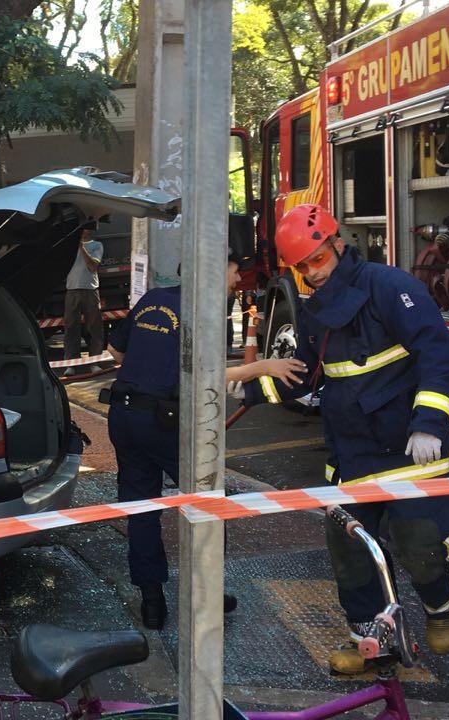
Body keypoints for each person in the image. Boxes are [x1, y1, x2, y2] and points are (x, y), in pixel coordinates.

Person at [237, 204, 449, 674]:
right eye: (301, 268)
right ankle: (370, 641)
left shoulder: (392, 288)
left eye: (317, 260)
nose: (312, 273)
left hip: (410, 449)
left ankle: (441, 608)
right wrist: (251, 390)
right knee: (352, 555)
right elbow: (303, 374)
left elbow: (438, 356)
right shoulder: (317, 312)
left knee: (420, 545)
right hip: (352, 454)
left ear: (337, 243)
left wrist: (429, 422)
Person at [106, 255, 306, 630]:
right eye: (233, 269)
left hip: (124, 415)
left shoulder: (153, 299)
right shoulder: (202, 312)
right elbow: (208, 376)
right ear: (212, 267)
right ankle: (206, 594)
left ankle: (152, 603)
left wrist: (152, 364)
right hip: (163, 423)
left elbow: (117, 351)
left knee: (141, 508)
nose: (238, 277)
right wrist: (267, 366)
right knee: (207, 504)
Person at [61, 224, 105, 377]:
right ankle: (71, 363)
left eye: (85, 228)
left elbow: (93, 267)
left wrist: (81, 248)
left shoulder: (97, 245)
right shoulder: (69, 247)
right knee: (71, 327)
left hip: (90, 290)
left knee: (94, 326)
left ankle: (94, 362)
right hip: (72, 290)